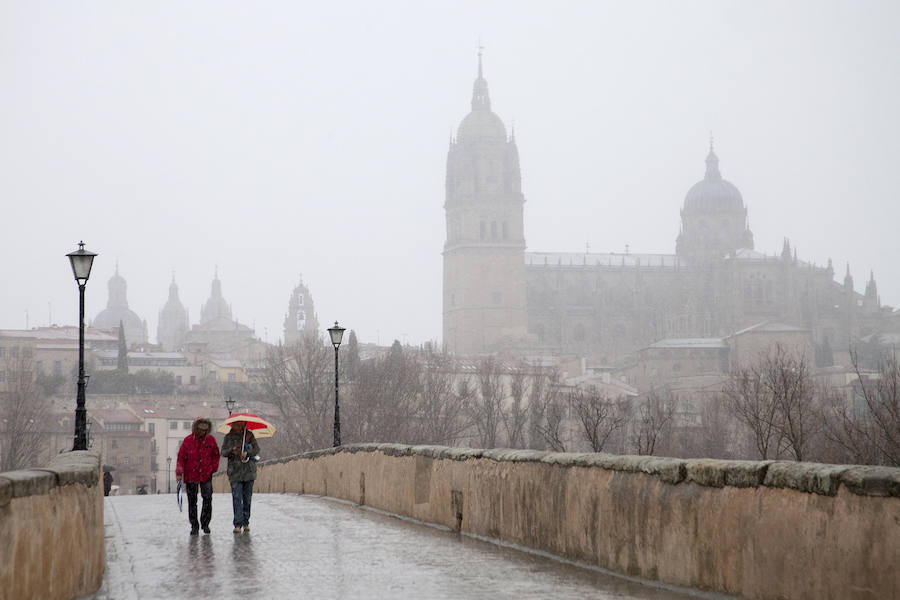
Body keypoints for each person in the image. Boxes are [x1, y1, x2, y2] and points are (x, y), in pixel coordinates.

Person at [175, 417, 220, 535]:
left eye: (204, 430)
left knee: (207, 499)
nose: (202, 432)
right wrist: (179, 473)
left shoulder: (211, 440)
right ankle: (194, 525)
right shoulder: (188, 441)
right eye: (200, 429)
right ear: (196, 428)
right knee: (192, 501)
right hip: (191, 474)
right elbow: (181, 458)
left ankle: (205, 524)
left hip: (206, 473)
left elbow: (216, 455)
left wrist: (213, 468)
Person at [222, 420, 259, 533]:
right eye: (235, 424)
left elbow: (256, 449)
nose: (237, 426)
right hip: (235, 472)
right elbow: (223, 452)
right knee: (237, 498)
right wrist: (232, 451)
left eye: (239, 424)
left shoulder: (249, 435)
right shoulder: (228, 437)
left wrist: (247, 453)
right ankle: (237, 523)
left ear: (243, 425)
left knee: (247, 498)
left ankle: (246, 522)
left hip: (248, 471)